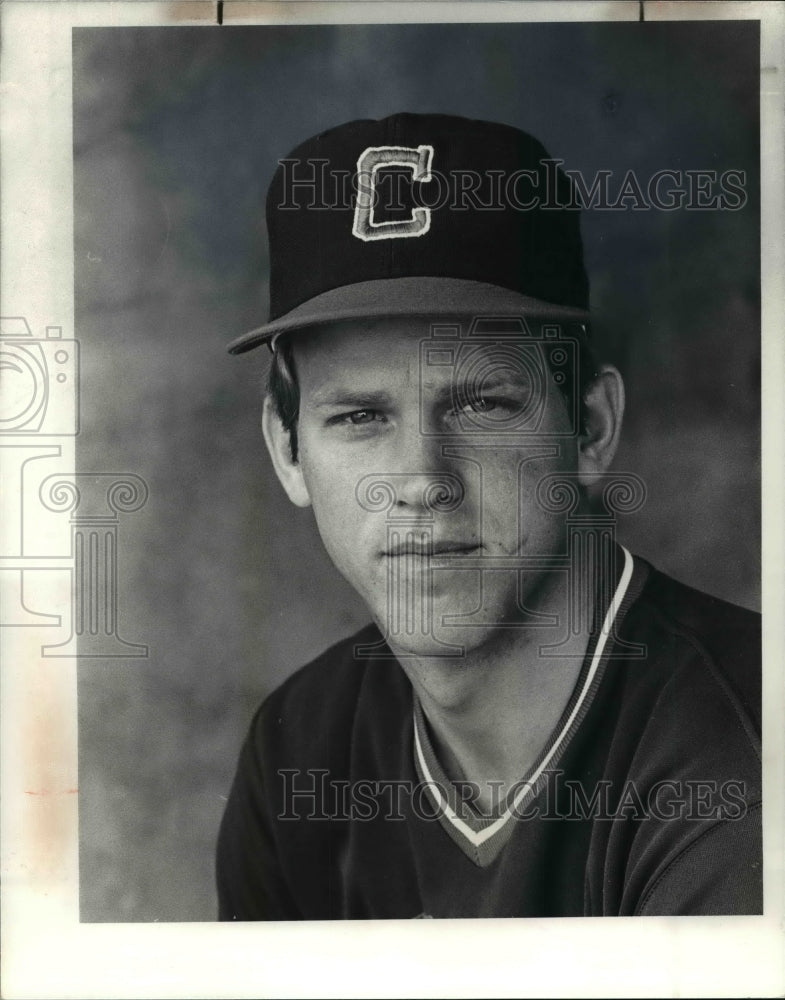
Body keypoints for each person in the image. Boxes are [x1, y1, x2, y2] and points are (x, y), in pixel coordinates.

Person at [217, 113, 761, 919]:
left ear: (590, 427)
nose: (421, 481)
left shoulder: (744, 748)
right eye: (361, 417)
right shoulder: (300, 743)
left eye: (481, 403)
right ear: (288, 451)